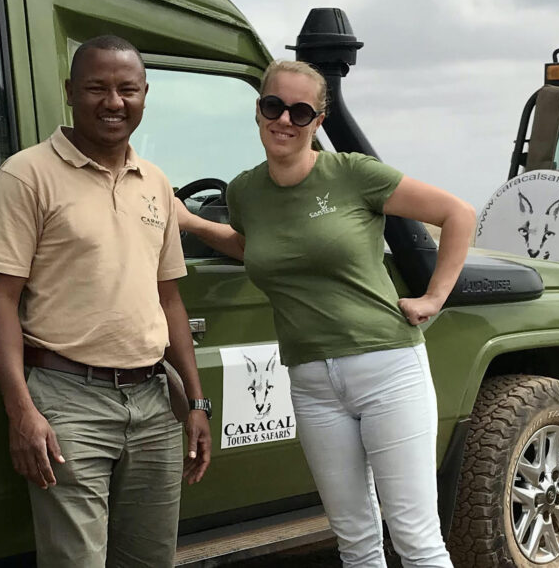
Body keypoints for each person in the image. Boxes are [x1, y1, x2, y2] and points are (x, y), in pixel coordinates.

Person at [179, 60, 475, 568]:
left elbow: (458, 214)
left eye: (301, 111)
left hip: (386, 369)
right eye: (275, 106)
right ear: (258, 110)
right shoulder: (244, 191)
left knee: (416, 539)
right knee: (355, 541)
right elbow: (257, 247)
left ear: (318, 121)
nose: (285, 120)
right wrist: (192, 223)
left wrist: (433, 298)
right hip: (312, 381)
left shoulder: (353, 174)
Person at [0, 35, 212, 567]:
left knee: (150, 559)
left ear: (145, 95)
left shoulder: (155, 182)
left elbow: (169, 299)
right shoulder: (26, 174)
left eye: (127, 89)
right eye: (97, 88)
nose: (113, 101)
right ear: (70, 92)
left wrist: (196, 403)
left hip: (153, 401)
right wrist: (22, 412)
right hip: (67, 402)